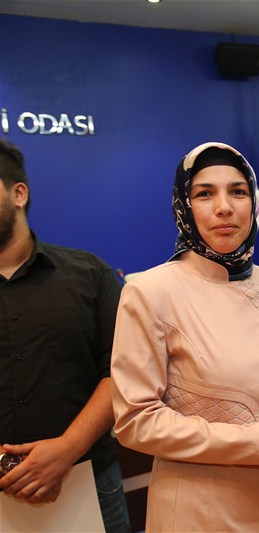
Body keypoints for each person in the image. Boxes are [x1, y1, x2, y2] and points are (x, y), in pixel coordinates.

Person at [110, 142, 259, 532]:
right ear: (184, 206)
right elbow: (136, 420)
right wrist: (250, 443)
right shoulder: (150, 292)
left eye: (237, 191)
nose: (224, 207)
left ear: (253, 201)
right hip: (204, 508)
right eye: (205, 194)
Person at [0, 138, 131, 532]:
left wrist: (67, 449)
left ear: (18, 194)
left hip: (89, 482)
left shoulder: (90, 275)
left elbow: (122, 371)